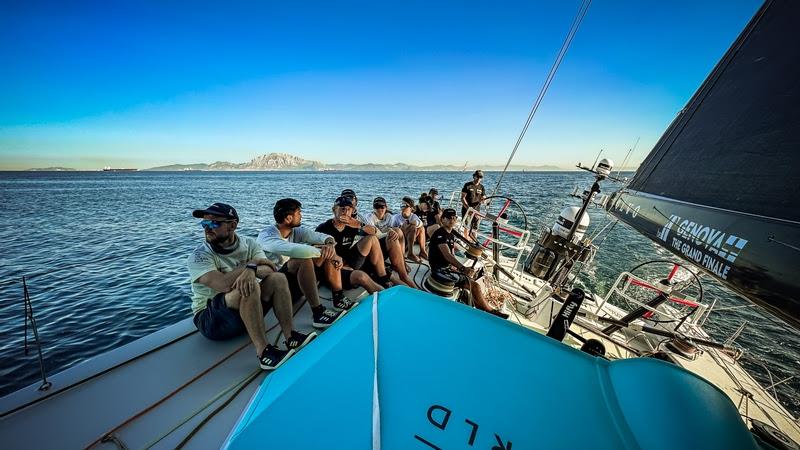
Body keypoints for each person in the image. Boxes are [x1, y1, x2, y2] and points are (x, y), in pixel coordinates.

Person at [187, 202, 315, 371]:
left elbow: (270, 269)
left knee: (278, 278)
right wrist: (250, 266)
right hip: (211, 320)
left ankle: (291, 336)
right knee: (249, 285)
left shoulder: (249, 244)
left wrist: (252, 268)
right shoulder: (200, 255)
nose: (207, 228)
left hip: (241, 310)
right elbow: (223, 284)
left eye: (214, 223)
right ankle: (264, 353)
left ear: (233, 225)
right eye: (205, 223)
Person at [257, 199, 354, 327]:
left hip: (292, 286)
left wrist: (330, 244)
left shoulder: (296, 231)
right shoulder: (267, 236)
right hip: (275, 292)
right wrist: (331, 254)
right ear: (288, 218)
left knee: (325, 250)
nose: (301, 215)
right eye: (299, 213)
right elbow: (294, 250)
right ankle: (318, 313)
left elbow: (321, 236)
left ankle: (338, 297)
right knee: (304, 257)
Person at [428, 208, 509, 319]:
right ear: (442, 220)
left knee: (474, 285)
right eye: (448, 218)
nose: (452, 220)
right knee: (472, 283)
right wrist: (462, 268)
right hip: (439, 270)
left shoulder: (450, 235)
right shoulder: (440, 234)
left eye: (454, 218)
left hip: (448, 268)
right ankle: (490, 312)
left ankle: (486, 311)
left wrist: (456, 268)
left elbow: (451, 255)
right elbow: (447, 254)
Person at [316, 196, 389, 291]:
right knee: (360, 276)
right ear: (334, 210)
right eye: (342, 209)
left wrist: (359, 224)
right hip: (334, 268)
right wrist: (343, 267)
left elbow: (374, 232)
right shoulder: (324, 228)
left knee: (372, 239)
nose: (346, 212)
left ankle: (383, 278)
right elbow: (318, 260)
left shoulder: (351, 225)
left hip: (349, 262)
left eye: (349, 209)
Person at [364, 196, 417, 287]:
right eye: (377, 207)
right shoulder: (369, 217)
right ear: (373, 208)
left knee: (397, 231)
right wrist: (390, 232)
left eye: (382, 207)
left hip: (385, 245)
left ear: (386, 207)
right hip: (375, 248)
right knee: (392, 236)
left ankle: (402, 262)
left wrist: (392, 231)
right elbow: (376, 235)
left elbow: (391, 229)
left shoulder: (389, 217)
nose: (380, 209)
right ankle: (403, 275)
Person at [390, 196, 427, 262]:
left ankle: (422, 251)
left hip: (409, 241)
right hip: (400, 243)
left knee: (421, 228)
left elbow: (420, 223)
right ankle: (410, 254)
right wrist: (403, 227)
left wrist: (410, 222)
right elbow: (391, 231)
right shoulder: (396, 217)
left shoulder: (413, 216)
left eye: (405, 205)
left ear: (411, 208)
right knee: (411, 226)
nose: (402, 207)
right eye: (402, 205)